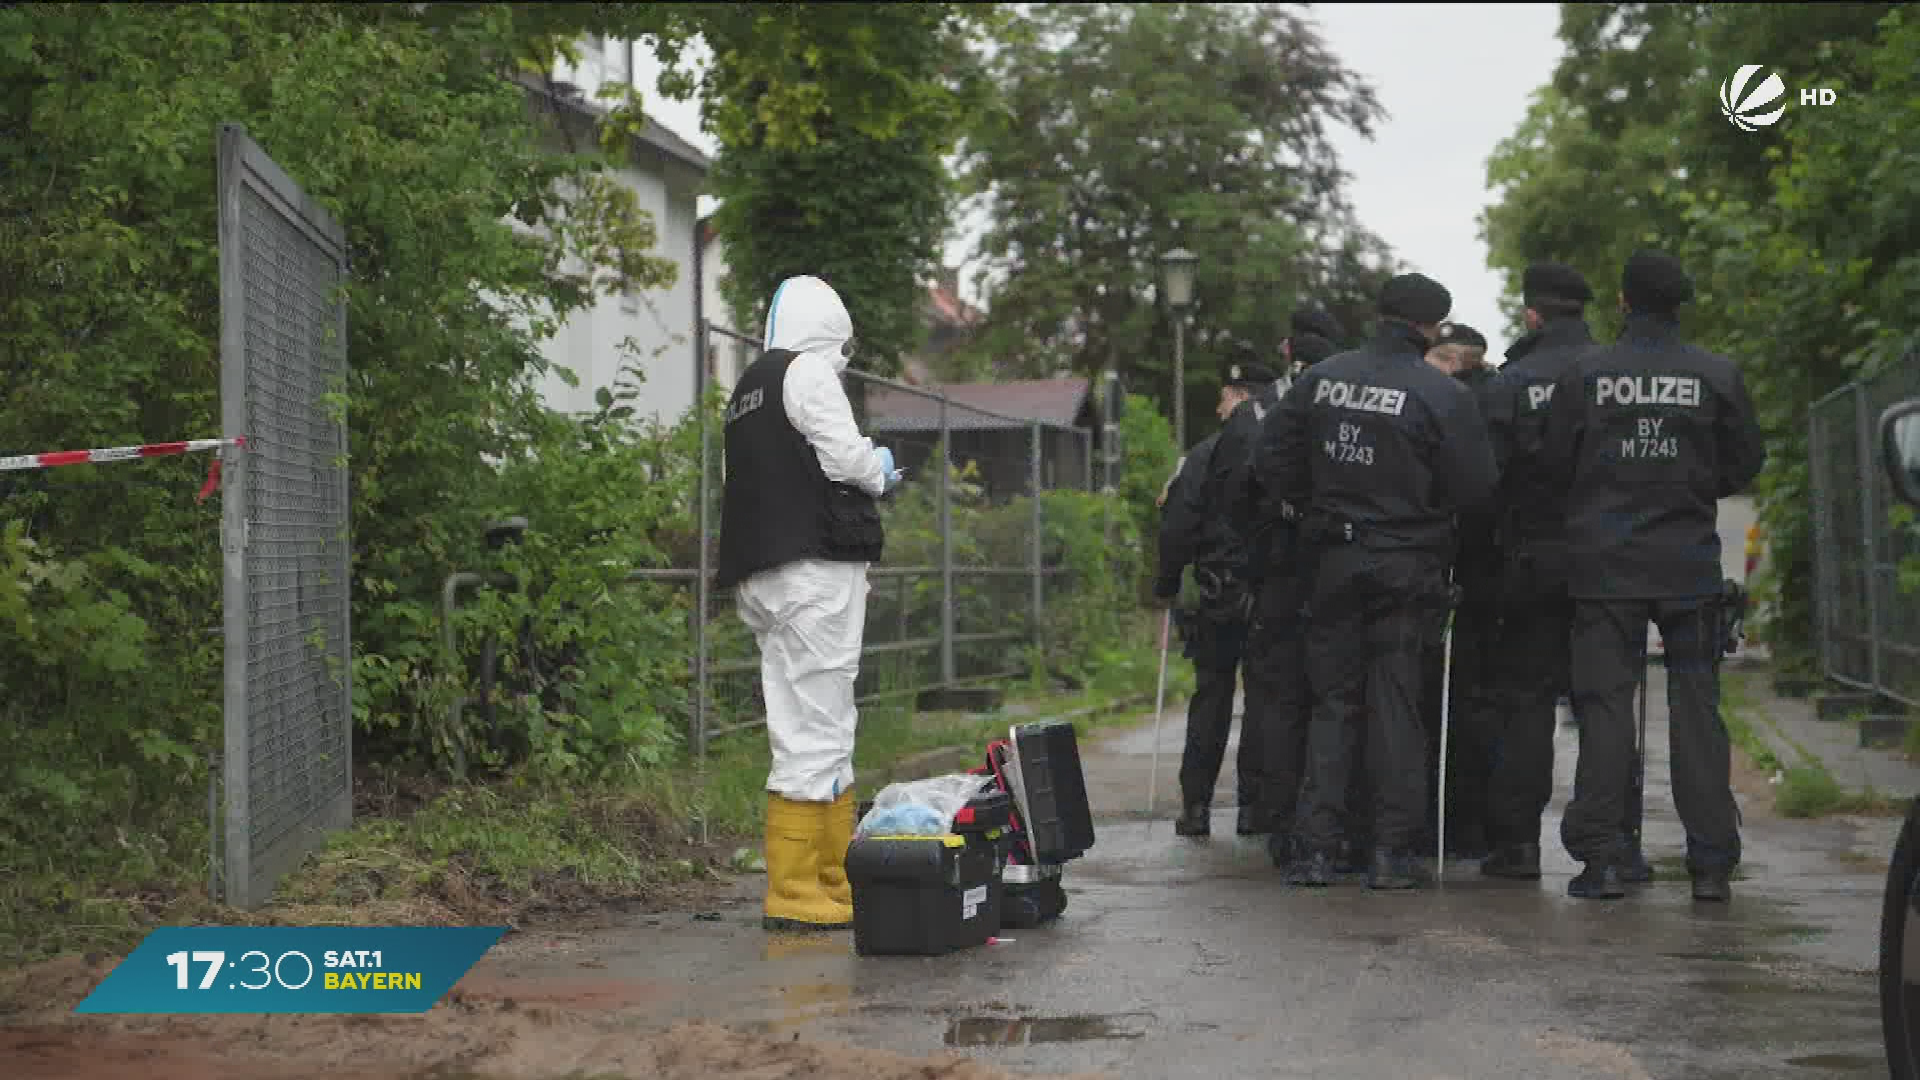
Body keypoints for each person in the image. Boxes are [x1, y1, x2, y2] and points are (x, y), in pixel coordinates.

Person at [1252, 273, 1500, 890]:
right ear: (1430, 328)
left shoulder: (1321, 380)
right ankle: (1391, 853)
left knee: (1332, 704)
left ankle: (1314, 850)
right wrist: (1423, 515)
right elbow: (1477, 486)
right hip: (1407, 562)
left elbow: (1270, 459)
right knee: (1396, 702)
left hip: (1334, 559)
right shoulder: (1440, 394)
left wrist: (1313, 509)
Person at [1542, 250, 1766, 901]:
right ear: (1680, 304)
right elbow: (1744, 461)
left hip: (1604, 567)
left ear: (1623, 302)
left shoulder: (1586, 375)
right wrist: (1690, 487)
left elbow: (1557, 462)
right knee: (1697, 711)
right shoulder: (1716, 375)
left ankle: (1606, 857)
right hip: (1688, 563)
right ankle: (1711, 865)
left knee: (1607, 709)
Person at [715, 274, 904, 931]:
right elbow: (848, 460)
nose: (844, 362)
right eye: (843, 347)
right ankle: (800, 890)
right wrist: (880, 468)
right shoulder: (809, 374)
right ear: (830, 332)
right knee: (818, 729)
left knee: (807, 721)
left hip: (761, 574)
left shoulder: (744, 390)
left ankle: (829, 878)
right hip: (811, 574)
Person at [1472, 262, 1600, 882]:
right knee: (1604, 703)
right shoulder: (1612, 374)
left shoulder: (1512, 381)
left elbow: (1483, 482)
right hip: (1606, 563)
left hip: (1529, 561)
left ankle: (1518, 845)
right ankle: (1610, 848)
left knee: (1523, 705)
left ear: (1532, 314)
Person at [1231, 321, 1339, 866]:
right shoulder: (1339, 403)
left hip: (1280, 569)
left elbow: (1251, 484)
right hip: (1330, 564)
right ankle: (1326, 824)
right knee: (1333, 700)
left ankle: (1278, 819)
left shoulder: (1270, 413)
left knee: (1278, 700)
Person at [1154, 359, 1273, 837]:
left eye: (1225, 397)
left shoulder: (1202, 455)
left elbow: (1177, 527)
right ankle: (1254, 807)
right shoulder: (1279, 445)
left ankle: (1197, 806)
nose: (1221, 407)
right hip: (1265, 591)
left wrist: (1165, 584)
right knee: (1265, 701)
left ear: (1241, 395)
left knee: (1212, 698)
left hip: (1216, 591)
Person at [1414, 321, 1502, 863]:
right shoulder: (1492, 398)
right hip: (1489, 568)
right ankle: (1476, 826)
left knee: (1437, 699)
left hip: (1445, 561)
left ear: (1449, 361)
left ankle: (1442, 823)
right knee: (1479, 700)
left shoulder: (1447, 404)